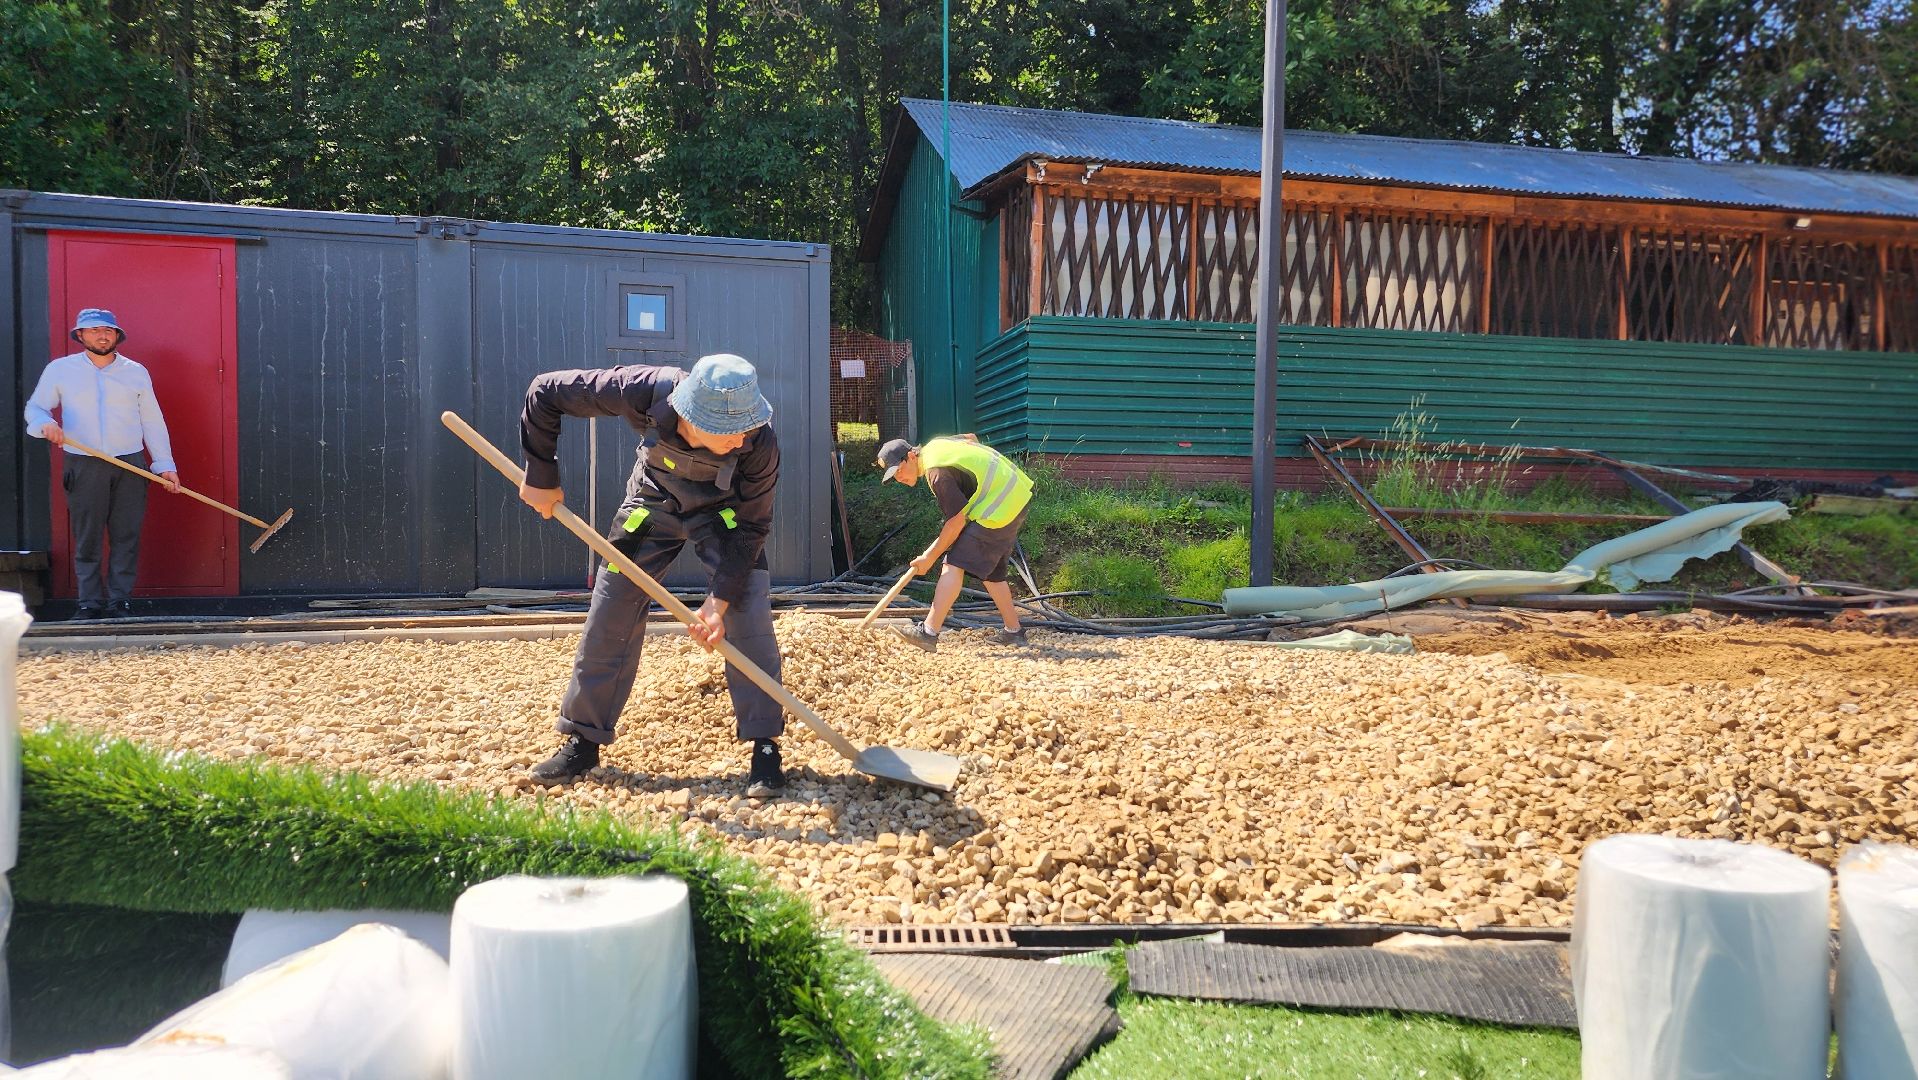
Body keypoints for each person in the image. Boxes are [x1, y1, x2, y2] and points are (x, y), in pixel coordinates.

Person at [516, 353, 787, 796]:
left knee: (748, 611)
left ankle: (765, 746)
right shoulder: (643, 389)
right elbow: (545, 391)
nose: (743, 443)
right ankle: (583, 738)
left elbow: (753, 528)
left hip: (726, 519)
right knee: (612, 609)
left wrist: (716, 604)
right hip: (651, 505)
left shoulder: (760, 443)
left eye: (748, 430)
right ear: (693, 417)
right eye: (731, 435)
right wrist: (540, 473)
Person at [24, 308, 180, 620]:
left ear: (117, 335)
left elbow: (152, 419)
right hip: (84, 464)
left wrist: (164, 463)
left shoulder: (135, 372)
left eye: (107, 330)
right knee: (88, 536)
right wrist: (45, 425)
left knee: (126, 535)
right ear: (80, 335)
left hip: (130, 465)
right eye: (93, 330)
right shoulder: (61, 370)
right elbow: (36, 407)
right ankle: (89, 604)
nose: (102, 335)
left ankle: (119, 602)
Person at [876, 434, 1033, 651]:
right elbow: (971, 438)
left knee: (953, 564)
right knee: (992, 573)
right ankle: (1014, 632)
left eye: (899, 470)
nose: (898, 477)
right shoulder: (936, 446)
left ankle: (928, 632)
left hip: (999, 504)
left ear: (911, 456)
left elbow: (956, 522)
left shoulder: (936, 472)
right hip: (1013, 497)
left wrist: (929, 557)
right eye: (893, 476)